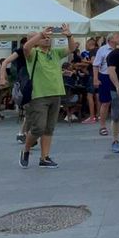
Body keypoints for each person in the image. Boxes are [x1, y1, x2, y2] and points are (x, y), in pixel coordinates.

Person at [19, 26, 77, 168]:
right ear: (36, 40)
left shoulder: (54, 52)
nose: (47, 40)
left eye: (48, 38)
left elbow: (71, 48)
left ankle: (44, 157)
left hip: (56, 93)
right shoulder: (33, 53)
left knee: (49, 128)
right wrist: (40, 34)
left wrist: (69, 36)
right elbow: (26, 47)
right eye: (44, 38)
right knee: (38, 127)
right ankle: (25, 149)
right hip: (39, 95)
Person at [92, 34, 117, 137]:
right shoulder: (102, 50)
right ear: (111, 39)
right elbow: (96, 64)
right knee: (105, 102)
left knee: (118, 102)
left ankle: (117, 125)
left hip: (118, 77)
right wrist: (95, 78)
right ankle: (102, 126)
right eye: (117, 37)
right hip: (105, 76)